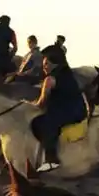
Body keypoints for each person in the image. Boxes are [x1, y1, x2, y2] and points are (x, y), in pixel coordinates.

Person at [29, 44, 88, 173]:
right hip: (79, 110)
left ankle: (51, 160)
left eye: (46, 64)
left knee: (40, 123)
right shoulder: (67, 74)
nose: (44, 67)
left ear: (54, 63)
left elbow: (41, 103)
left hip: (66, 112)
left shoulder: (50, 80)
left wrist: (28, 105)